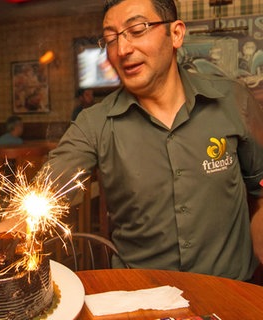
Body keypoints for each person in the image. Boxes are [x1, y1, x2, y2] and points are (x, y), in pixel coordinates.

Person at [42, 0, 263, 281]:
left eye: (137, 29)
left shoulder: (234, 100)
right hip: (140, 294)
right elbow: (43, 194)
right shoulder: (94, 123)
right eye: (110, 39)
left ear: (176, 34)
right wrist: (0, 237)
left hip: (229, 289)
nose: (122, 50)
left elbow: (260, 184)